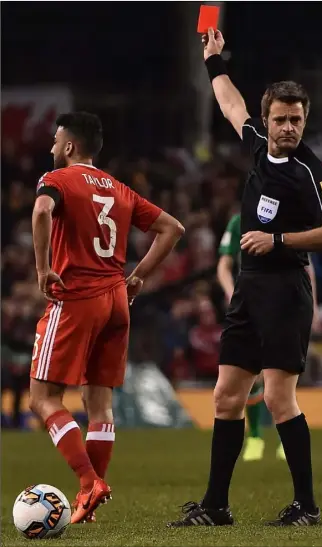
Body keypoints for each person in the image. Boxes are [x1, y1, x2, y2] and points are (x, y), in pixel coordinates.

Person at [168, 28, 322, 528]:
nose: (289, 128)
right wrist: (213, 62)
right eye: (280, 119)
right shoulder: (257, 144)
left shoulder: (313, 172)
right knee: (226, 397)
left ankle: (307, 507)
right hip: (249, 289)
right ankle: (216, 507)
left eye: (296, 119)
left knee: (277, 397)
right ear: (266, 121)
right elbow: (229, 104)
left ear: (304, 120)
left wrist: (280, 240)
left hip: (287, 290)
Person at [30, 111, 184, 525]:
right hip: (117, 298)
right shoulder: (119, 188)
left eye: (55, 141)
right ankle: (90, 499)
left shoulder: (56, 179)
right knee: (99, 404)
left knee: (43, 398)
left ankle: (86, 481)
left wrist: (43, 269)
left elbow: (42, 211)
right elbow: (173, 229)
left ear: (69, 146)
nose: (51, 148)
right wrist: (138, 278)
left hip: (77, 296)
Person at [218, 215, 321, 461]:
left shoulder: (289, 217)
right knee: (250, 377)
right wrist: (234, 295)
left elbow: (308, 266)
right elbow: (224, 265)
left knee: (281, 377)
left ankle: (285, 437)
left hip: (284, 302)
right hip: (249, 302)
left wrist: (312, 305)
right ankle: (254, 436)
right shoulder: (238, 221)